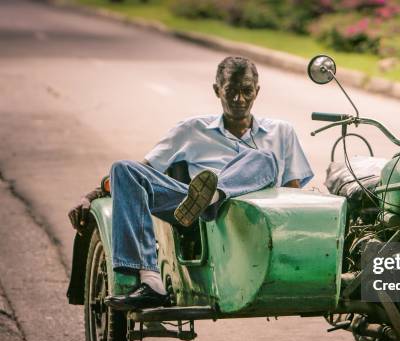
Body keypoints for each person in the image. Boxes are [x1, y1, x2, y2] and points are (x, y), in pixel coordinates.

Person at [68, 56, 314, 310]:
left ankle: (213, 196)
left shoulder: (281, 131)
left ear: (257, 91)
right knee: (123, 168)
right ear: (217, 90)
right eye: (231, 91)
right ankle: (150, 280)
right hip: (192, 212)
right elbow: (143, 172)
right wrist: (92, 194)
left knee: (262, 158)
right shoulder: (191, 129)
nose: (239, 99)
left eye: (246, 91)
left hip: (252, 211)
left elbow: (292, 192)